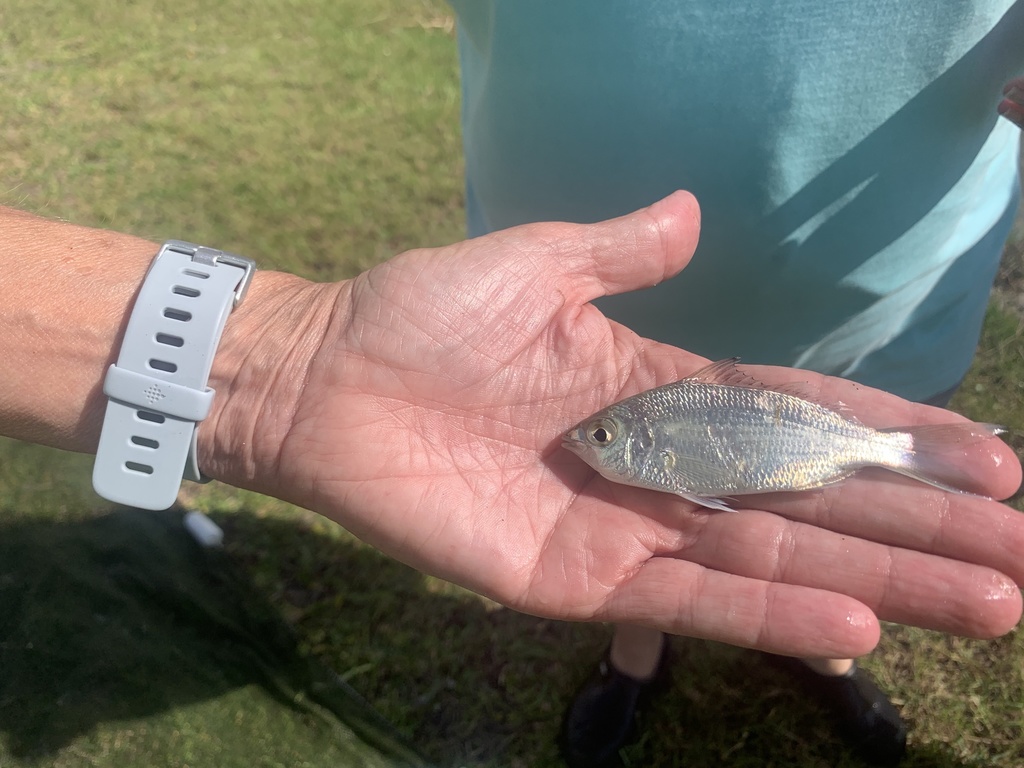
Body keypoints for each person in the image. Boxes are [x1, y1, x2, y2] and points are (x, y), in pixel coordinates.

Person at [446, 1, 1024, 765]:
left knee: (838, 526)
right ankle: (635, 651)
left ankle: (820, 649)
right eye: (605, 435)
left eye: (606, 434)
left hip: (887, 289)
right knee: (637, 532)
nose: (591, 441)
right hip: (592, 291)